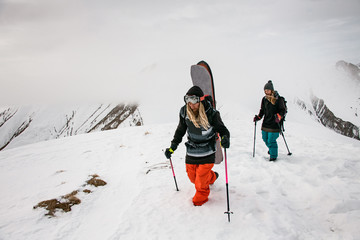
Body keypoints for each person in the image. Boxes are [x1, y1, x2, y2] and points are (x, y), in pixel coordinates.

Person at [165, 86, 230, 206]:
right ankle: (212, 176)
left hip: (208, 150)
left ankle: (200, 199)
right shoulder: (184, 111)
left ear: (200, 100)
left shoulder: (212, 113)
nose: (191, 104)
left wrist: (225, 138)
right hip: (192, 149)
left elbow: (223, 130)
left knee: (200, 181)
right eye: (188, 100)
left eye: (194, 101)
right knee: (192, 178)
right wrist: (172, 147)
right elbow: (180, 130)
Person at [253, 80, 286, 161]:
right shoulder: (264, 99)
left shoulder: (278, 99)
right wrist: (258, 117)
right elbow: (262, 110)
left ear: (272, 90)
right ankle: (272, 149)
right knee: (265, 138)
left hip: (275, 123)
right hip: (266, 123)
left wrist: (279, 116)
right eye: (265, 90)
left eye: (267, 90)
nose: (266, 91)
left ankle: (273, 156)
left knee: (271, 140)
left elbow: (283, 110)